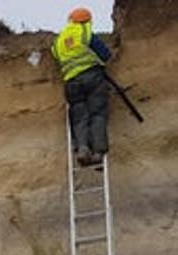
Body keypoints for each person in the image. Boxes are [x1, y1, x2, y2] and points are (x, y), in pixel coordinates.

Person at [51, 7, 113, 166]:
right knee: (97, 113)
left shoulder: (59, 41)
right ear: (87, 20)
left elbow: (55, 56)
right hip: (92, 77)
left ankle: (83, 148)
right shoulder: (84, 31)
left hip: (71, 82)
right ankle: (98, 152)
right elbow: (104, 54)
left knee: (79, 117)